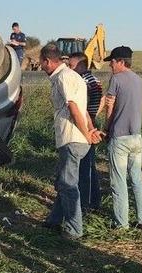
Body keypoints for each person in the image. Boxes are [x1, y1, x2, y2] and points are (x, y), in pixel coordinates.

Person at [40, 44, 103, 240]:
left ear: (48, 61)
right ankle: (54, 220)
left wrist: (85, 134)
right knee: (63, 180)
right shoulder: (74, 77)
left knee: (68, 184)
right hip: (76, 137)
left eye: (42, 63)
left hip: (72, 137)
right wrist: (91, 129)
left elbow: (75, 108)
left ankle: (74, 229)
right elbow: (84, 109)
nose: (41, 67)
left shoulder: (64, 77)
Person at [103, 46, 142, 229]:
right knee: (137, 178)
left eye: (112, 62)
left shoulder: (116, 79)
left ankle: (121, 222)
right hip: (137, 137)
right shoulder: (140, 80)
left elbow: (110, 105)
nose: (110, 66)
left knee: (118, 181)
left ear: (121, 62)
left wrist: (106, 128)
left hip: (120, 138)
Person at [68, 52, 104, 213]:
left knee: (84, 167)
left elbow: (80, 107)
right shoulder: (95, 80)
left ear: (81, 65)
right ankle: (95, 200)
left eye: (72, 66)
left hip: (84, 125)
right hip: (92, 122)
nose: (70, 69)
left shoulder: (82, 82)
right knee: (90, 165)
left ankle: (84, 203)